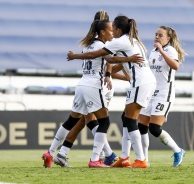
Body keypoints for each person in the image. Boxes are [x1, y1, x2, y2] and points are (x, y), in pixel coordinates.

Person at [42, 16, 140, 168]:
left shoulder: (88, 45)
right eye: (109, 30)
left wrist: (124, 63)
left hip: (82, 85)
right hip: (93, 86)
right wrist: (129, 58)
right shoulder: (98, 47)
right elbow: (109, 60)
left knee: (71, 121)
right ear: (102, 32)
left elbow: (106, 63)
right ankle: (95, 159)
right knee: (104, 122)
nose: (112, 33)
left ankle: (50, 152)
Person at [67, 15, 156, 168]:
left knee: (130, 120)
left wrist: (74, 56)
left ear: (119, 29)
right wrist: (125, 62)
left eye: (113, 28)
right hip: (144, 81)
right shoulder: (133, 40)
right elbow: (111, 60)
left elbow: (95, 55)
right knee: (126, 118)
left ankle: (140, 159)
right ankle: (125, 158)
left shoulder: (120, 41)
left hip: (140, 83)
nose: (112, 31)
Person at [138, 26, 186, 167]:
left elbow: (175, 66)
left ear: (168, 39)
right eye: (156, 34)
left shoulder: (170, 50)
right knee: (142, 126)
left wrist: (162, 51)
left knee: (154, 128)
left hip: (164, 94)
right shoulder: (152, 52)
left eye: (160, 35)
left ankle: (178, 151)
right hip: (151, 93)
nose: (157, 37)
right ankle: (144, 159)